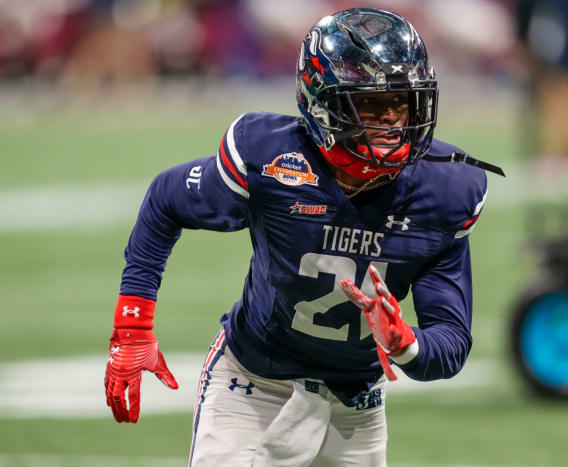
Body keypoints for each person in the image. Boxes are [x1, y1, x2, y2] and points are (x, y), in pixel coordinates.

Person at [104, 8, 493, 467]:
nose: (392, 121)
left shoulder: (445, 191)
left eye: (402, 102)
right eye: (370, 104)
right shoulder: (272, 161)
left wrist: (405, 343)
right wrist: (132, 327)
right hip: (254, 385)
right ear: (323, 103)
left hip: (355, 405)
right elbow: (166, 199)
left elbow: (449, 344)